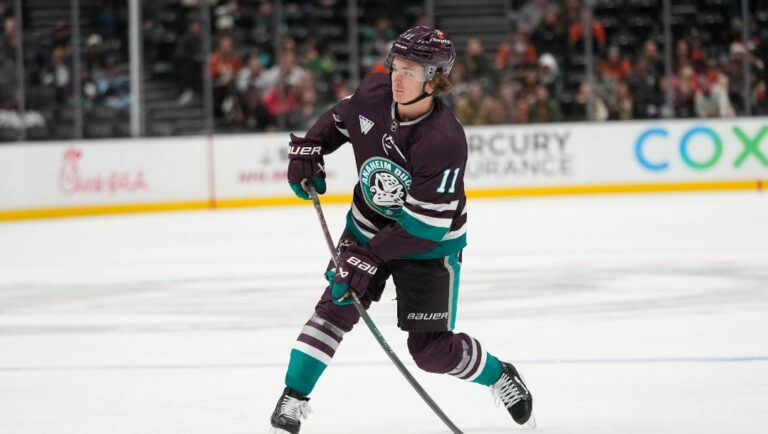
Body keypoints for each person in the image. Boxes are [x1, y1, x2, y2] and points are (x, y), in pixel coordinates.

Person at [271, 26, 534, 434]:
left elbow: (426, 226)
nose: (397, 76)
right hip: (367, 225)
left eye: (412, 70)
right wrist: (312, 146)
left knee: (429, 351)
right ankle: (293, 397)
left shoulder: (443, 140)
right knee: (336, 306)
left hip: (428, 247)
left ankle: (500, 375)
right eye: (397, 65)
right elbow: (341, 119)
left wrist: (371, 255)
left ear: (435, 78)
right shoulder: (373, 94)